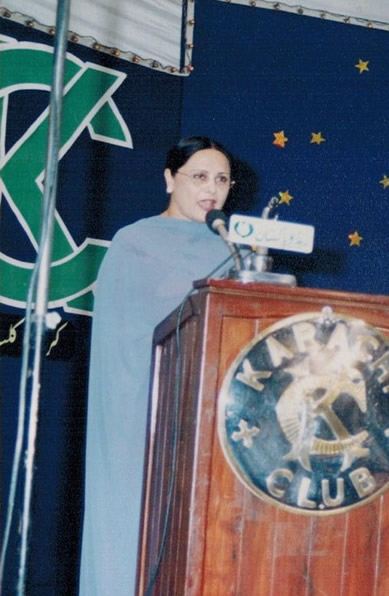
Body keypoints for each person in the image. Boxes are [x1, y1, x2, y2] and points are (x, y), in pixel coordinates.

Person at [80, 137, 238, 596]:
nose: (212, 189)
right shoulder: (134, 242)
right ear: (170, 179)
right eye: (200, 177)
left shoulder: (233, 251)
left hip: (207, 418)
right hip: (141, 414)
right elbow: (120, 339)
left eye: (222, 180)